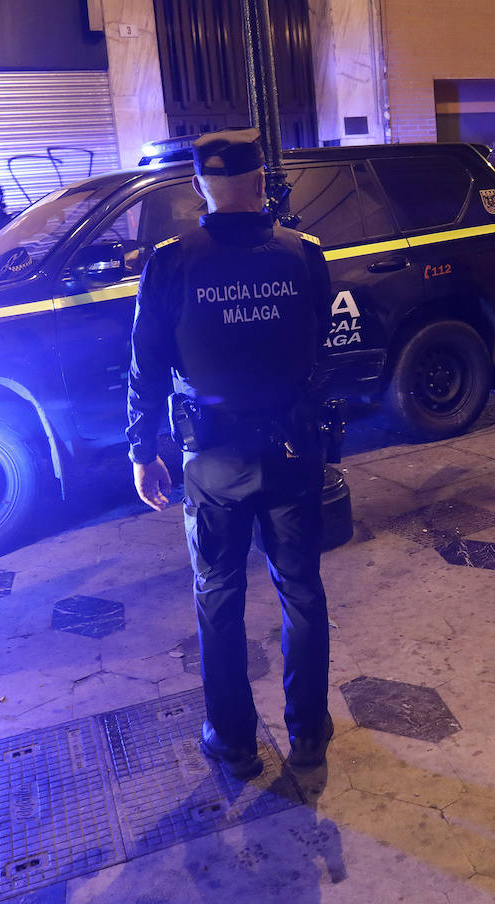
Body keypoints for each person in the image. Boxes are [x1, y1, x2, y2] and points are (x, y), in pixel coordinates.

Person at [126, 128, 336, 777]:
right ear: (260, 182)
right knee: (300, 591)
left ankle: (234, 742)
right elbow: (323, 344)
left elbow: (146, 366)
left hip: (213, 458)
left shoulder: (171, 261)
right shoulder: (303, 254)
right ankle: (307, 736)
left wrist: (143, 448)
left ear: (197, 188)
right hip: (291, 448)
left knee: (217, 594)